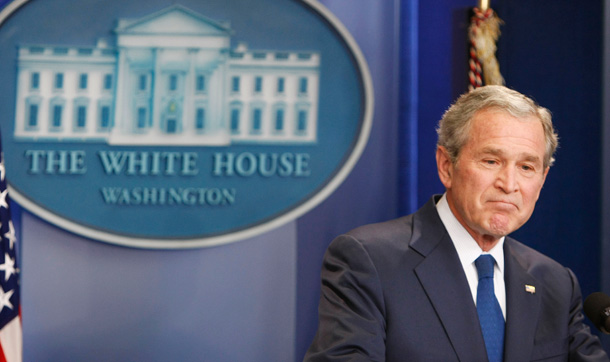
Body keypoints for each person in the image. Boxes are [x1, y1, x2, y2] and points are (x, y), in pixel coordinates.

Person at [304, 85, 609, 361]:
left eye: (527, 167)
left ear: (542, 181)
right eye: (491, 161)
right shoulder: (369, 261)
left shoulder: (554, 283)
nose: (509, 183)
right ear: (446, 166)